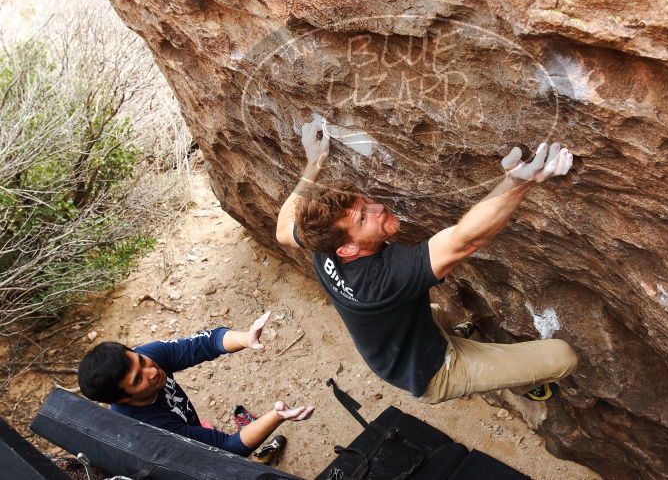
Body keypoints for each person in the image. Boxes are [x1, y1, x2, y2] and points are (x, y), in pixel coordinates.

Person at [275, 118, 578, 404]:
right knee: (563, 356)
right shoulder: (386, 278)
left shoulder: (321, 239)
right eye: (364, 217)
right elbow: (466, 239)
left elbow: (282, 230)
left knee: (435, 314)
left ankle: (455, 339)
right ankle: (524, 383)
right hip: (433, 371)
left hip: (393, 347)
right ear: (348, 251)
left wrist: (313, 163)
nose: (379, 207)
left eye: (365, 203)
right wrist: (517, 182)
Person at [78, 312, 314, 457]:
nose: (152, 370)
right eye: (138, 380)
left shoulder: (144, 358)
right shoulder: (151, 430)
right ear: (122, 399)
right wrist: (277, 415)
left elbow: (205, 343)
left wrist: (245, 338)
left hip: (179, 425)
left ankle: (196, 429)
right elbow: (228, 448)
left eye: (141, 361)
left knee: (195, 430)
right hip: (173, 458)